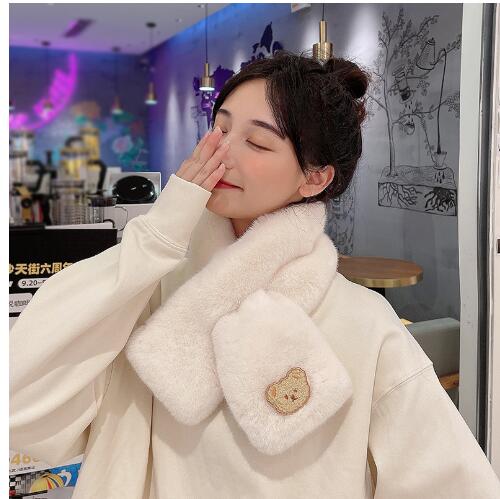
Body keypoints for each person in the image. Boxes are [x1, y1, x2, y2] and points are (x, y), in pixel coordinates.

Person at [10, 50, 500, 499]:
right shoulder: (151, 293)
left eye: (258, 142)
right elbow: (19, 403)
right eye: (219, 129)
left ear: (315, 178)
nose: (222, 153)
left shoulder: (364, 324)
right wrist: (155, 237)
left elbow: (454, 485)